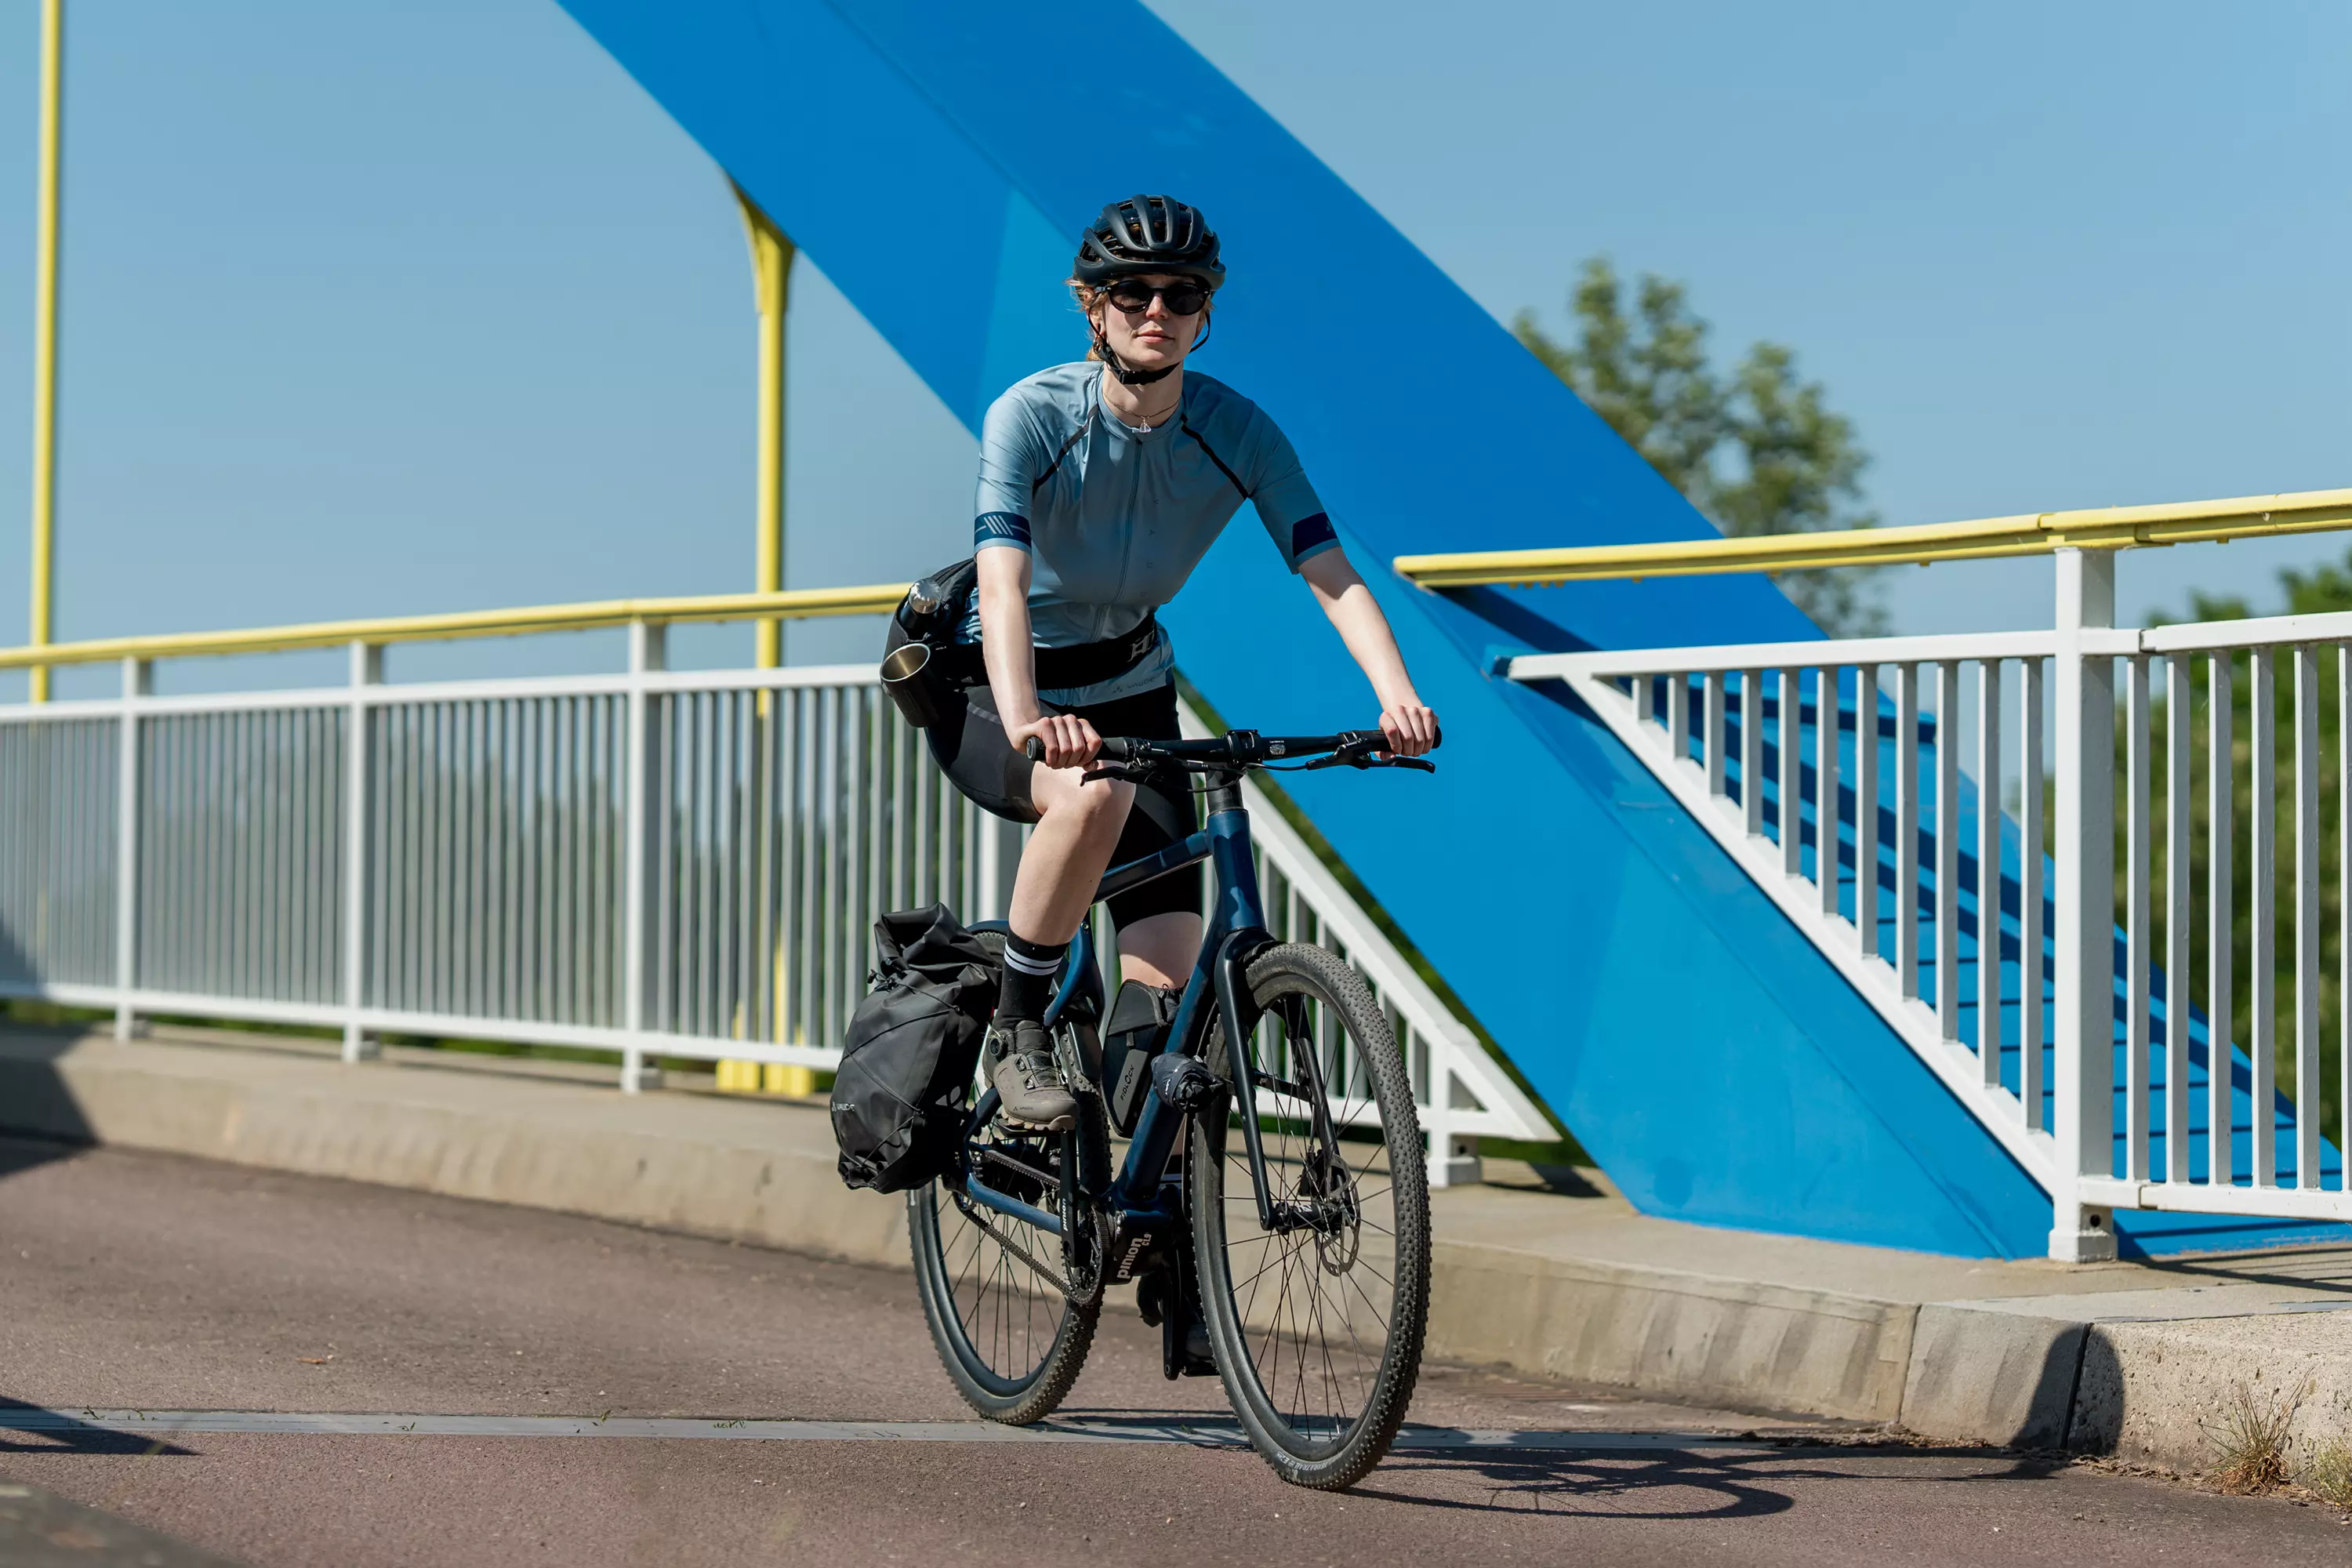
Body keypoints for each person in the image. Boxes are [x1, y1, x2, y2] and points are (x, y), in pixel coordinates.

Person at [924, 194, 1438, 1131]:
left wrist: (1397, 696)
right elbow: (1001, 588)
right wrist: (1033, 717)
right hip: (995, 684)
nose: (1156, 310)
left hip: (1131, 685)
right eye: (1132, 292)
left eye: (1181, 294)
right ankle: (1017, 1028)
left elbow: (1329, 570)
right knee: (1091, 795)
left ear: (1206, 314)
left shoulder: (1239, 431)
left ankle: (1160, 1236)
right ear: (1093, 305)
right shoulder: (1032, 416)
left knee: (1160, 1009)